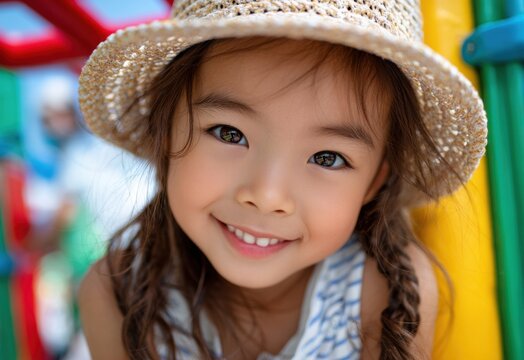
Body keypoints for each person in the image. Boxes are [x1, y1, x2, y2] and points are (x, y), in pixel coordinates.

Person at [77, 1, 487, 359]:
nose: (267, 196)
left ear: (374, 183)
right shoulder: (115, 296)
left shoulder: (387, 296)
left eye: (328, 158)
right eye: (228, 133)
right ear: (164, 132)